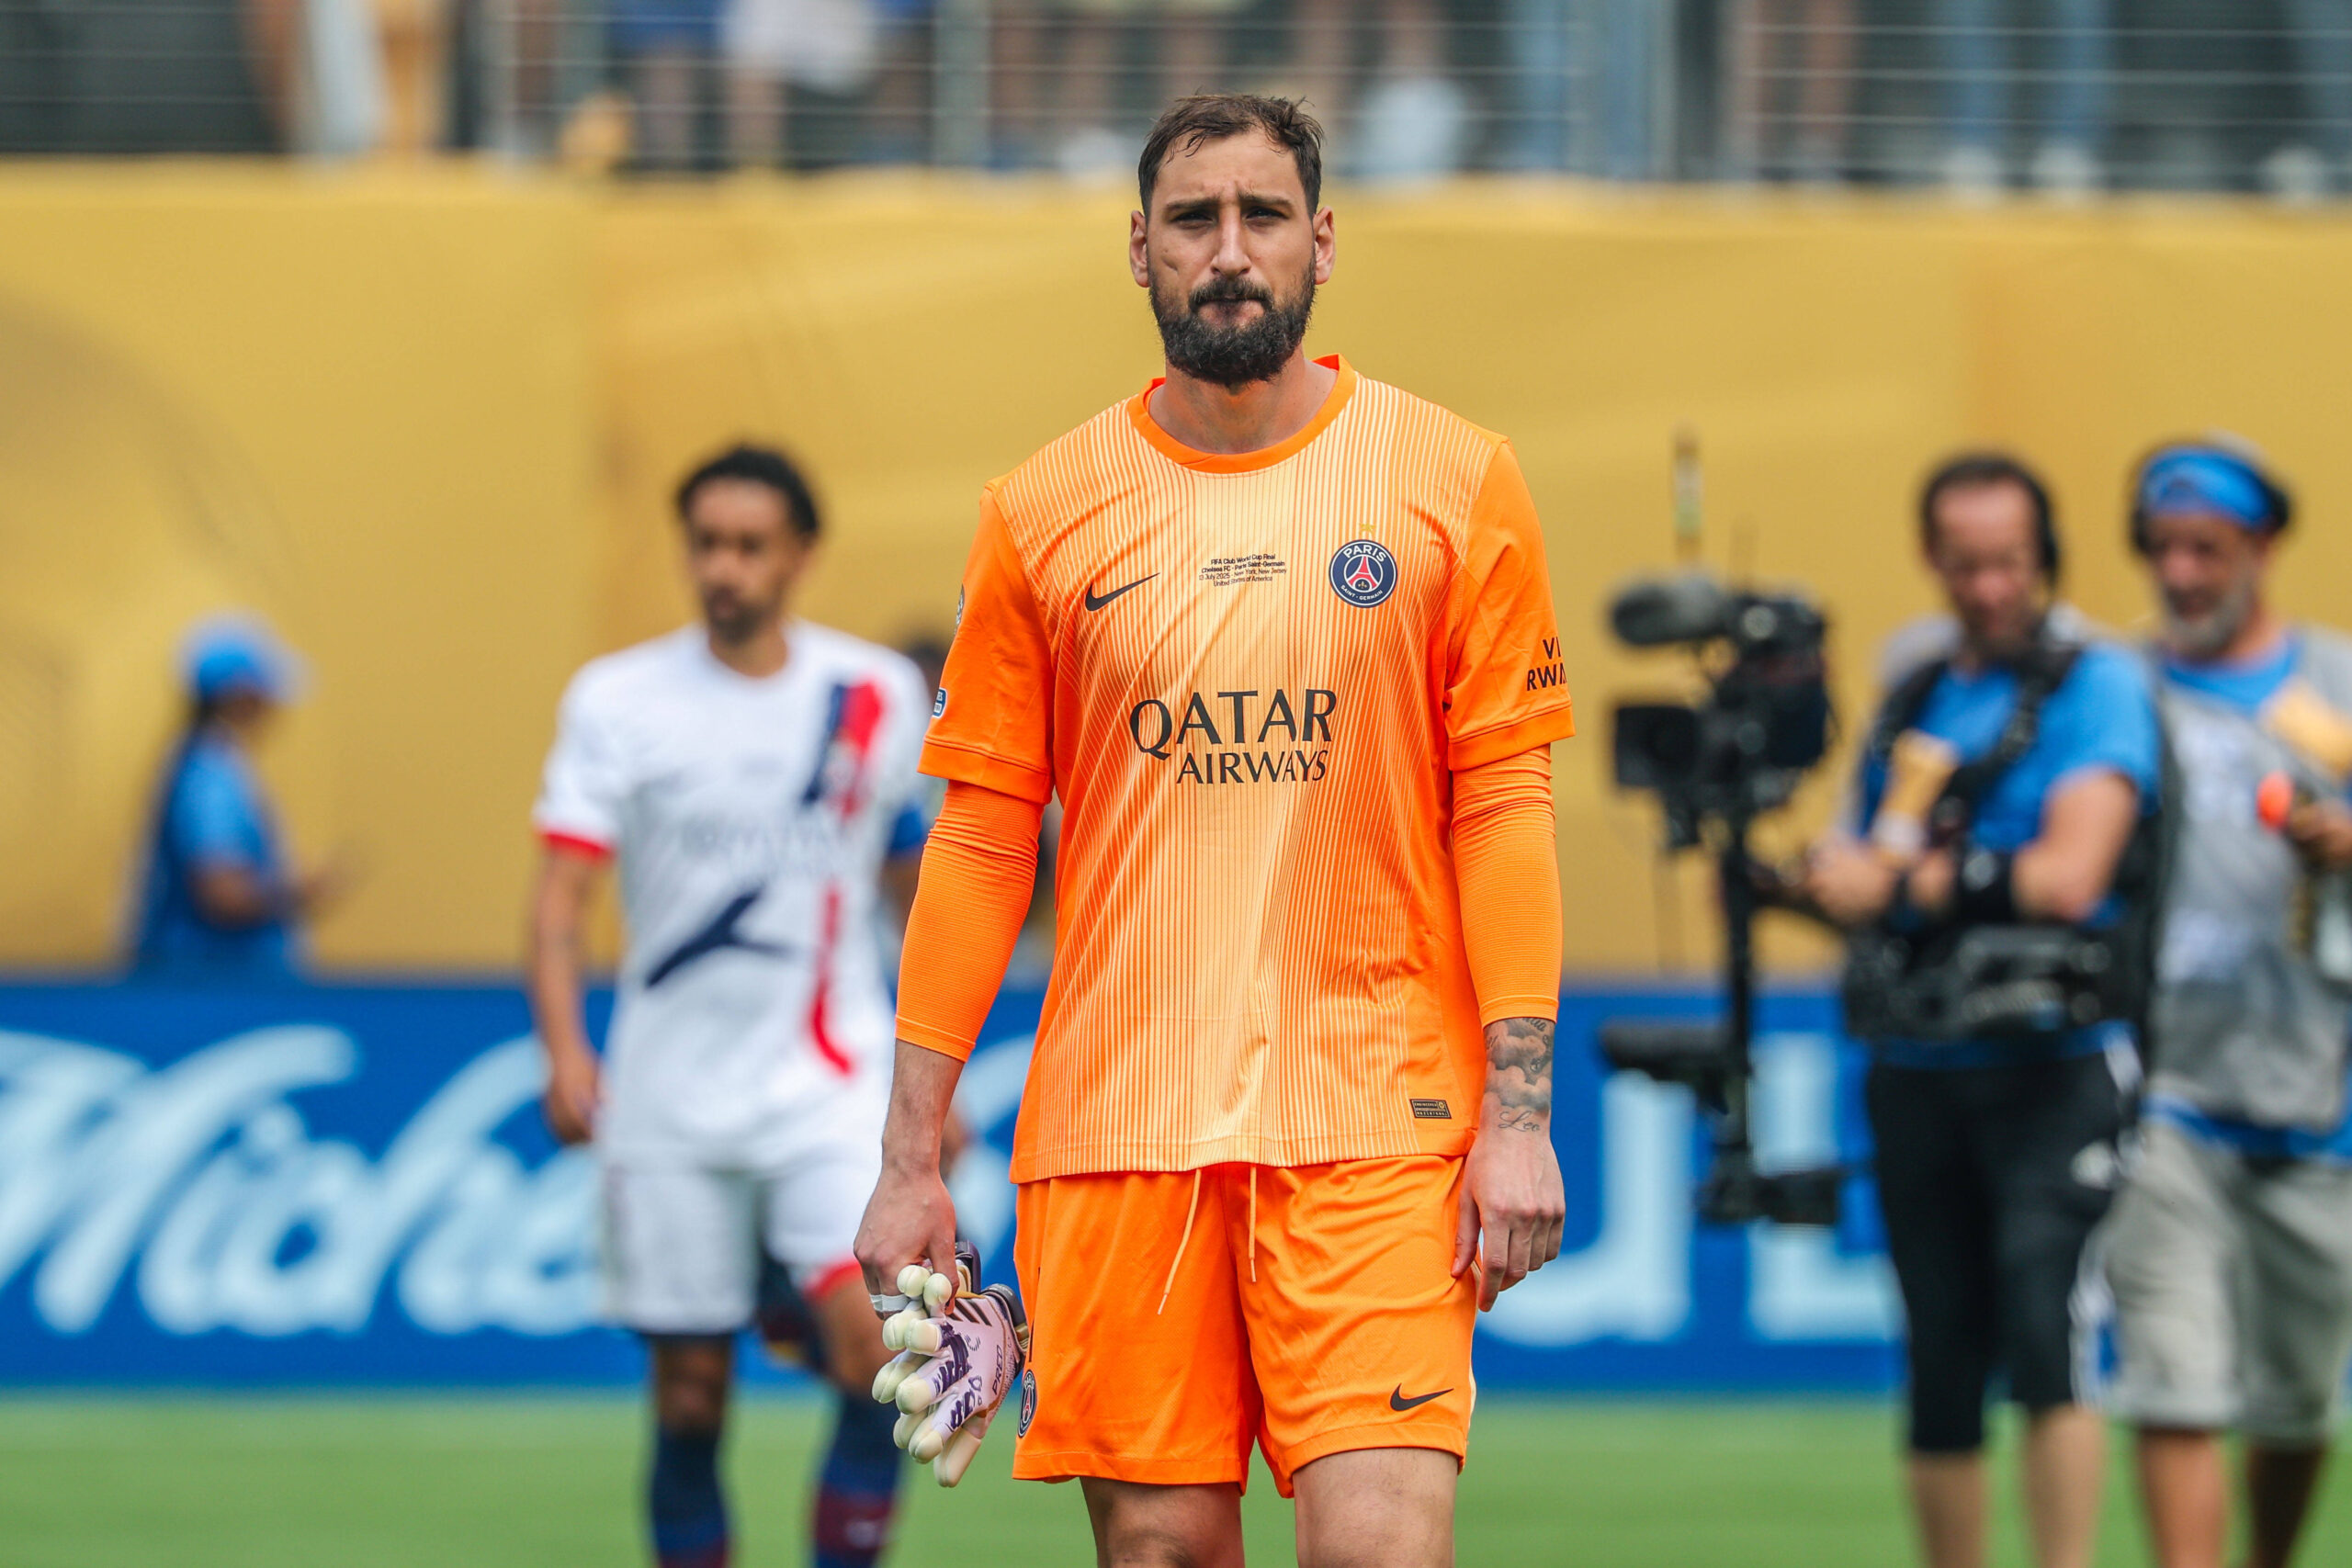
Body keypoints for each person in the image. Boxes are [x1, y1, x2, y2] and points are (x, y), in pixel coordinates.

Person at [855, 92, 1575, 1564]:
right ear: (1139, 250)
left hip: (1375, 1122)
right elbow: (984, 837)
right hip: (1120, 1129)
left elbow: (1503, 803)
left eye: (1261, 216)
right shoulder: (1044, 510)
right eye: (1194, 220)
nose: (1228, 251)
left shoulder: (1453, 480)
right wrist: (911, 1156)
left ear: (1323, 241)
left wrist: (1518, 1114)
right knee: (1162, 1554)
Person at [526, 444, 931, 1568]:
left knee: (875, 1362)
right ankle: (762, 1301)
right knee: (692, 1398)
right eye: (707, 543)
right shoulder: (619, 700)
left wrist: (928, 1085)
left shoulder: (873, 695)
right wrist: (565, 1051)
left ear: (800, 554)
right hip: (670, 1092)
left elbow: (918, 901)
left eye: (751, 545)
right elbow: (560, 903)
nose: (725, 567)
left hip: (829, 1083)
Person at [1799, 453, 2160, 1568]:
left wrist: (1895, 884)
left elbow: (2066, 879)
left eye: (2007, 564)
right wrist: (1822, 879)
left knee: (2047, 1328)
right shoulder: (1916, 690)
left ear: (2043, 559)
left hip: (2054, 1063)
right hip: (1919, 1061)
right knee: (1939, 1355)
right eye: (1965, 567)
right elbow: (1871, 865)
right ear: (1934, 564)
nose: (1989, 589)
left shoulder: (2095, 684)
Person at [2105, 440, 2352, 1568]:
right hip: (2162, 1088)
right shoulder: (2122, 689)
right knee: (2175, 1378)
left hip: (2317, 1087)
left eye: (2207, 549)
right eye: (2163, 549)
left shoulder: (2336, 685)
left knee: (2296, 1404)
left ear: (2264, 550)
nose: (2183, 574)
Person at [131, 615, 344, 980]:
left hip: (210, 987)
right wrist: (301, 893)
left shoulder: (207, 766)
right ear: (240, 695)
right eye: (267, 692)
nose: (276, 706)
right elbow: (222, 893)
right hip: (214, 989)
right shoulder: (212, 778)